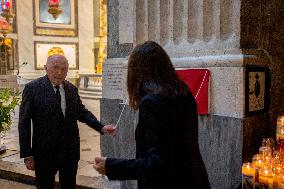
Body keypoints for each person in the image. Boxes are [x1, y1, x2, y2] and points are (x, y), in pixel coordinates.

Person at [94, 41, 211, 189]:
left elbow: (159, 163)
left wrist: (111, 166)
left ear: (137, 72)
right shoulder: (184, 92)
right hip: (193, 179)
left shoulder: (152, 102)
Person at [18, 47, 116, 189]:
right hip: (44, 153)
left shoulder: (71, 89)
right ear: (46, 68)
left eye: (64, 69)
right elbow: (24, 123)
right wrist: (27, 154)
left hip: (69, 152)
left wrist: (101, 127)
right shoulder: (32, 89)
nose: (59, 72)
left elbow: (82, 113)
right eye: (55, 68)